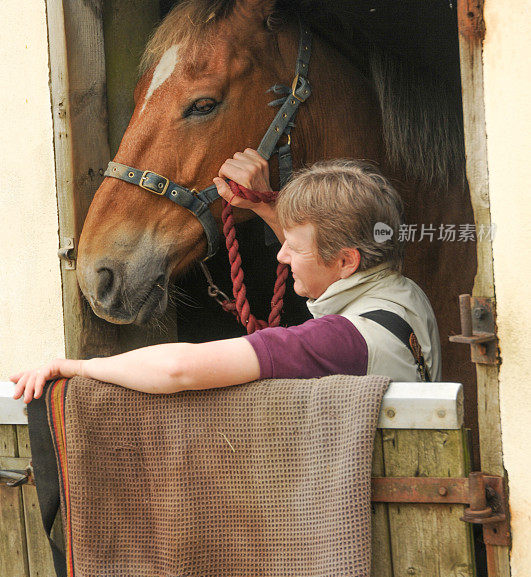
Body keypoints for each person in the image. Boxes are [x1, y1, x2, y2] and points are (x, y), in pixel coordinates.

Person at [10, 152, 441, 404]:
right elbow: (320, 251)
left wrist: (74, 366)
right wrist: (267, 208)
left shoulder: (339, 341)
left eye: (294, 246)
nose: (283, 255)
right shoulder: (403, 293)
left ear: (347, 261)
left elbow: (179, 370)